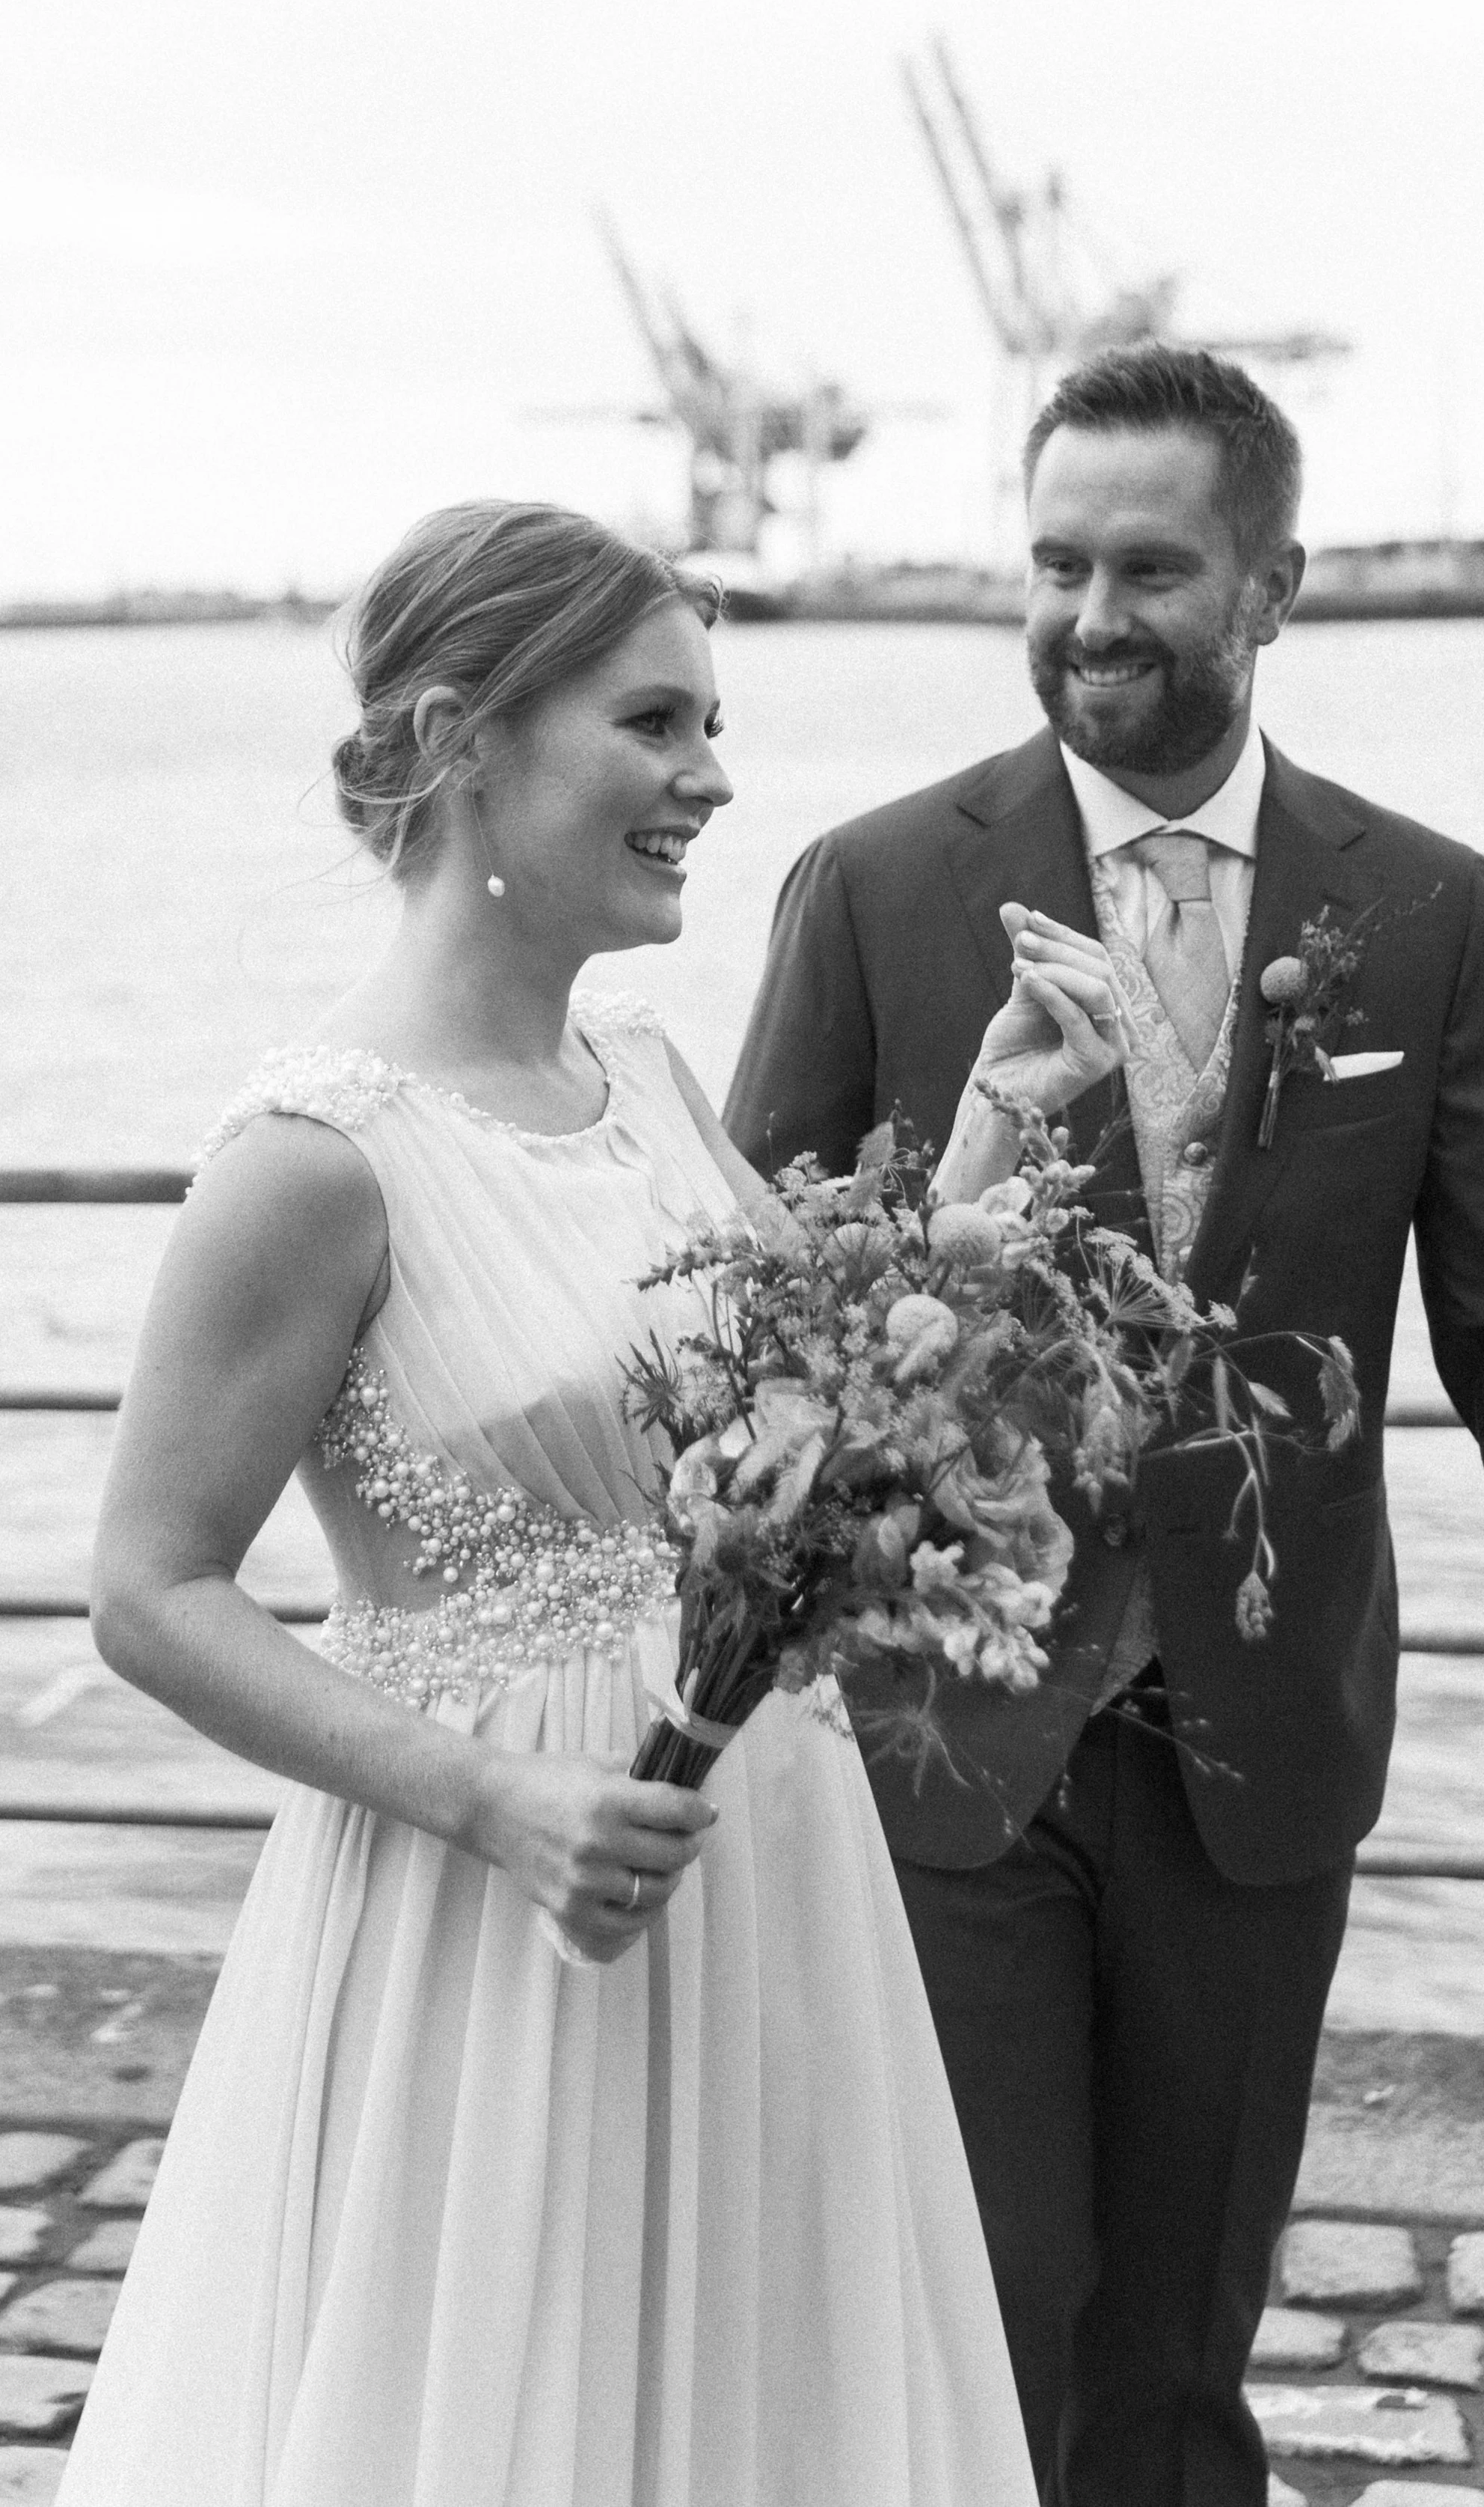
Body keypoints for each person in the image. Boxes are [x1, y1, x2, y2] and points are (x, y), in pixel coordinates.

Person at [62, 499, 1135, 2507]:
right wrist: (498, 1798)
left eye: (711, 722)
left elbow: (825, 1414)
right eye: (655, 720)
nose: (711, 776)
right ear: (470, 738)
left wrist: (1002, 1110)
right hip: (494, 1899)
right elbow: (146, 1585)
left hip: (755, 1850)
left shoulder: (644, 1077)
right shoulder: (312, 1156)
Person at [723, 343, 1484, 2507]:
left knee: (1179, 2342)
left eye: (1149, 567)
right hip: (945, 1737)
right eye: (1052, 562)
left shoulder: (1420, 905)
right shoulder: (873, 885)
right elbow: (760, 1297)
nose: (1088, 616)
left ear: (1274, 587)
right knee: (988, 2297)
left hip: (1260, 1732)